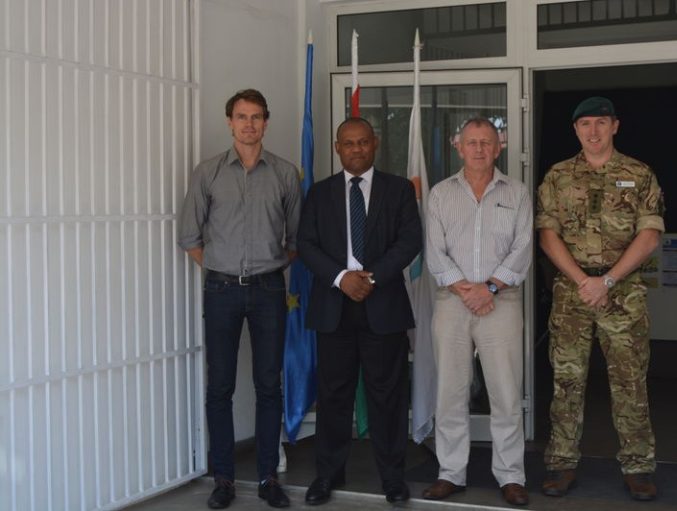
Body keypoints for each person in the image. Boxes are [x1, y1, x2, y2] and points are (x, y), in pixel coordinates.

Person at [536, 97, 665, 501]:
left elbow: (650, 235)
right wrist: (583, 281)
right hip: (572, 294)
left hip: (622, 293)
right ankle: (562, 464)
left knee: (630, 381)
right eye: (585, 124)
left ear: (615, 126)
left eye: (601, 123)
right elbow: (547, 236)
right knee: (567, 380)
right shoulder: (557, 176)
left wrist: (607, 280)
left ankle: (638, 467)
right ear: (575, 130)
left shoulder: (638, 174)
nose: (593, 131)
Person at [178, 89, 301, 509]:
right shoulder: (208, 173)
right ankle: (224, 479)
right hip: (221, 290)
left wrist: (264, 268)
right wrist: (221, 268)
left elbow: (295, 240)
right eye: (242, 117)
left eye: (256, 117)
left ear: (267, 122)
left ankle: (268, 477)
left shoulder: (285, 174)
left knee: (269, 385)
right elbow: (190, 236)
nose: (249, 124)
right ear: (229, 122)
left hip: (269, 290)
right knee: (220, 386)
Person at [297, 117, 421, 506]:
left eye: (363, 142)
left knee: (388, 398)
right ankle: (327, 475)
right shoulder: (319, 193)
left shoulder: (399, 189)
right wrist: (341, 279)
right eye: (348, 143)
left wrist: (371, 278)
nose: (356, 149)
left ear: (375, 143)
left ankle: (393, 478)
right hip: (334, 307)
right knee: (334, 395)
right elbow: (306, 244)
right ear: (337, 148)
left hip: (383, 305)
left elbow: (410, 241)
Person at [424, 117, 533, 507]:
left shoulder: (517, 192)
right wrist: (466, 290)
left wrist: (489, 288)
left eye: (487, 142)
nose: (479, 149)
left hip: (501, 302)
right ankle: (450, 473)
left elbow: (522, 247)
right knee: (450, 392)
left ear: (498, 147)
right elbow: (435, 251)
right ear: (458, 146)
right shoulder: (440, 194)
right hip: (452, 303)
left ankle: (511, 475)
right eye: (472, 142)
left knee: (505, 393)